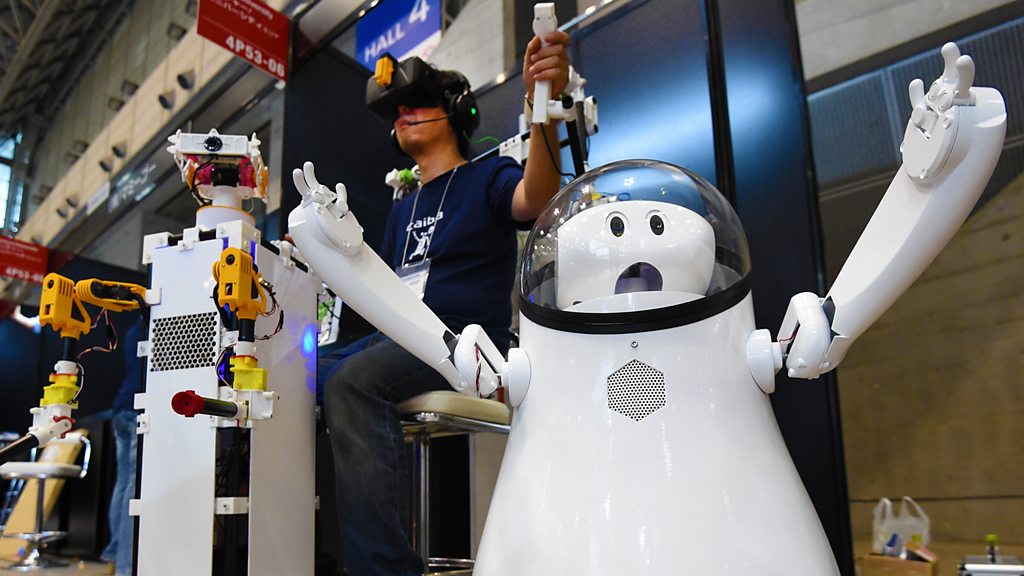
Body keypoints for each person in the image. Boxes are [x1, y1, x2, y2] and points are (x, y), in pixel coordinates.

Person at [316, 31, 573, 576]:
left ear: (455, 112)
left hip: (461, 341)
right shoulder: (401, 208)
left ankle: (386, 570)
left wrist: (543, 107)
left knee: (351, 382)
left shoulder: (487, 175)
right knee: (299, 376)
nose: (403, 114)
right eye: (398, 110)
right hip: (398, 337)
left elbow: (535, 198)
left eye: (418, 104)